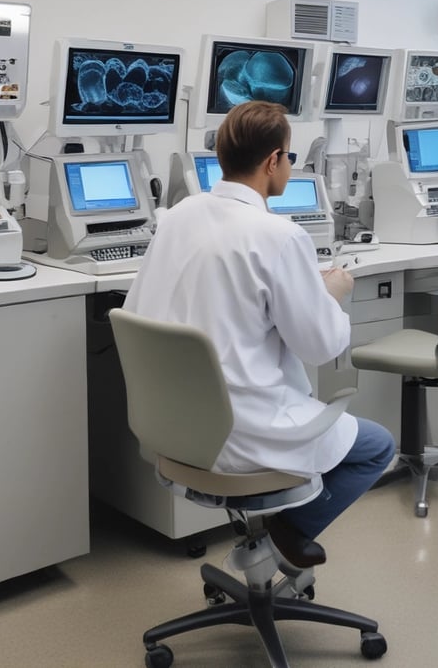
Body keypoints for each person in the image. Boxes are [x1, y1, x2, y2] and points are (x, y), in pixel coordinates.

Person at [123, 100, 395, 563]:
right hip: (246, 431)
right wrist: (331, 293)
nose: (288, 164)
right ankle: (281, 542)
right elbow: (322, 345)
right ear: (273, 161)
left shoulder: (177, 217)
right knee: (378, 447)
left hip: (173, 429)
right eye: (288, 157)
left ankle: (266, 544)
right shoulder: (278, 235)